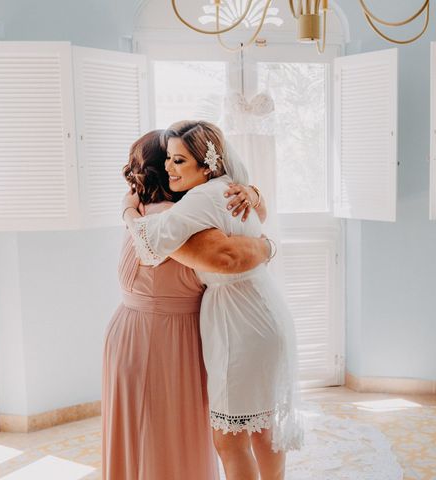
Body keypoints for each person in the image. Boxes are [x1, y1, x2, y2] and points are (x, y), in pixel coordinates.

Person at [122, 121, 303, 480]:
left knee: (230, 440)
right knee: (263, 428)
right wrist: (255, 200)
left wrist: (128, 210)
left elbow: (150, 242)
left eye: (179, 161)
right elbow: (260, 219)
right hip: (264, 308)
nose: (170, 169)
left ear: (207, 165)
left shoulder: (200, 198)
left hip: (239, 322)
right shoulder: (227, 186)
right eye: (169, 161)